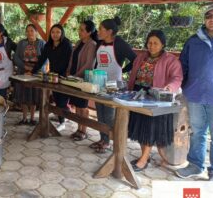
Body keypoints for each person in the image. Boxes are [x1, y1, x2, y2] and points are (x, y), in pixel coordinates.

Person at [176, 2, 213, 181]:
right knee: (197, 132)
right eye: (209, 15)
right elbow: (182, 65)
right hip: (195, 95)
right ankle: (195, 165)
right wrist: (182, 85)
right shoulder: (194, 40)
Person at [127, 30, 183, 171]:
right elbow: (133, 73)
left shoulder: (170, 60)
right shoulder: (141, 57)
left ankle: (144, 159)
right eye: (149, 43)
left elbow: (177, 77)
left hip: (155, 98)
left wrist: (170, 87)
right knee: (139, 127)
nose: (151, 46)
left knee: (149, 129)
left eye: (155, 43)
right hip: (138, 95)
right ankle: (144, 156)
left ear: (162, 44)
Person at [91, 17, 136, 153]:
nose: (98, 31)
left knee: (109, 114)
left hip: (113, 84)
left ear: (109, 31)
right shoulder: (100, 43)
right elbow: (98, 62)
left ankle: (111, 141)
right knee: (100, 112)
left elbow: (135, 59)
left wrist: (123, 70)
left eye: (101, 29)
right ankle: (102, 139)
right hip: (99, 82)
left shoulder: (120, 43)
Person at [32, 24, 73, 131]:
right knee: (56, 98)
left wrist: (60, 75)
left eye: (58, 32)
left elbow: (66, 62)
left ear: (62, 33)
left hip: (64, 76)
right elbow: (41, 60)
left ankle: (62, 122)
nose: (55, 34)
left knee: (62, 100)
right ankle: (62, 117)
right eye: (53, 32)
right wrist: (33, 71)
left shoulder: (66, 44)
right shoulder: (48, 45)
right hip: (53, 76)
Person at [67, 21, 97, 141]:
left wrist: (76, 75)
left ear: (89, 32)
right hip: (73, 79)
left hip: (83, 81)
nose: (79, 32)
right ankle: (78, 129)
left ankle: (83, 131)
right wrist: (69, 72)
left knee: (83, 107)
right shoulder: (79, 42)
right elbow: (72, 59)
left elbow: (89, 64)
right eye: (79, 29)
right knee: (77, 106)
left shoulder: (92, 44)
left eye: (82, 30)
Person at [14, 24, 46, 125]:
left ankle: (32, 118)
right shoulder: (21, 43)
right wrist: (25, 67)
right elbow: (16, 57)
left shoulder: (42, 43)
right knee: (23, 95)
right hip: (23, 72)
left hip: (36, 74)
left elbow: (44, 59)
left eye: (32, 30)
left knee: (34, 96)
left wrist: (34, 69)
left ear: (36, 32)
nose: (29, 33)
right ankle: (24, 118)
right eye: (27, 31)